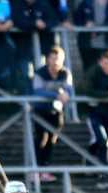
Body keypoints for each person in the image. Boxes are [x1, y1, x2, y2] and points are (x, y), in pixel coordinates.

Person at [82, 50, 108, 189]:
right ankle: (89, 160)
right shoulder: (93, 72)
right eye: (105, 63)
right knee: (100, 139)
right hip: (94, 111)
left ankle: (102, 176)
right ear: (100, 62)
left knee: (107, 142)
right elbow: (86, 90)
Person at [32, 45, 73, 183]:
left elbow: (69, 88)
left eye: (59, 59)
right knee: (41, 139)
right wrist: (56, 95)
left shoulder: (65, 72)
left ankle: (44, 169)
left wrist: (66, 94)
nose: (56, 62)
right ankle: (35, 169)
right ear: (48, 59)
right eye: (53, 58)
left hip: (56, 110)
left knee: (52, 140)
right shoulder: (40, 73)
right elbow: (38, 90)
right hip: (40, 109)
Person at [9, 0, 59, 96]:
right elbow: (16, 20)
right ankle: (27, 105)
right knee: (25, 76)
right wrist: (34, 24)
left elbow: (53, 20)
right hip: (23, 49)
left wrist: (44, 24)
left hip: (42, 49)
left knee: (42, 75)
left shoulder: (43, 4)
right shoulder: (17, 4)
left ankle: (41, 105)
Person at [73, 0, 108, 72]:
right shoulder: (85, 3)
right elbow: (77, 19)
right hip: (87, 45)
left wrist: (97, 31)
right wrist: (86, 23)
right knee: (89, 71)